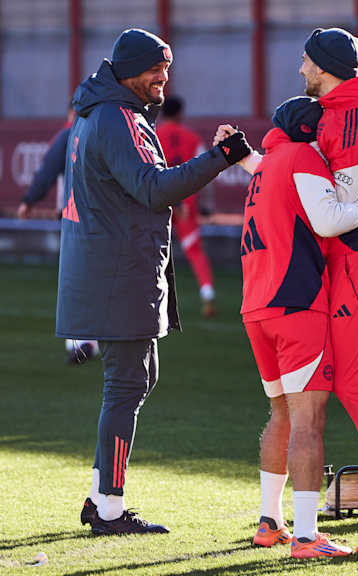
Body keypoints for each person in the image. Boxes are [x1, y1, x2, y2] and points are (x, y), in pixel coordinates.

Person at [216, 27, 358, 554]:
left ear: (324, 66)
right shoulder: (339, 114)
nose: (300, 69)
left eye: (306, 61)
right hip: (335, 265)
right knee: (316, 400)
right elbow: (309, 185)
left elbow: (329, 206)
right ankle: (289, 520)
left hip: (353, 258)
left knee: (355, 388)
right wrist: (251, 160)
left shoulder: (354, 116)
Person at [57, 28, 251, 535]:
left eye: (167, 68)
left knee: (137, 380)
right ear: (128, 72)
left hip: (112, 267)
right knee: (126, 384)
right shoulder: (116, 117)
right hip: (118, 271)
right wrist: (222, 158)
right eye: (154, 69)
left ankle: (100, 495)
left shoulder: (100, 112)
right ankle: (109, 508)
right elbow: (153, 188)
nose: (163, 77)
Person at [243, 96, 358, 558]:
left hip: (256, 305)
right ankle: (306, 537)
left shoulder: (267, 165)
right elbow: (327, 221)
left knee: (281, 415)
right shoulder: (303, 156)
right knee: (308, 421)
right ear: (311, 133)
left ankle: (270, 522)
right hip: (297, 305)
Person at [16, 109, 99, 364]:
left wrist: (29, 201)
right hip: (110, 220)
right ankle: (99, 339)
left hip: (77, 221)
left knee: (75, 281)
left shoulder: (68, 135)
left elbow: (47, 171)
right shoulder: (109, 132)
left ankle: (80, 342)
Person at [156, 96, 217, 318]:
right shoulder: (192, 137)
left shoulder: (153, 135)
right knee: (194, 250)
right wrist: (206, 204)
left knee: (151, 251)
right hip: (186, 202)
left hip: (159, 199)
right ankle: (208, 295)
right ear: (180, 113)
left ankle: (149, 299)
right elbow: (206, 170)